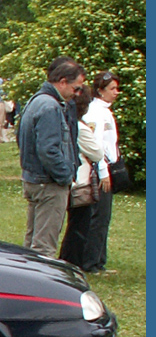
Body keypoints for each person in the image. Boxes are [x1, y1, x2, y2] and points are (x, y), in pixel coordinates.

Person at [18, 57, 86, 257]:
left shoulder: (36, 101)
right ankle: (37, 287)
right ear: (63, 81)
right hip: (48, 185)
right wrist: (65, 176)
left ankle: (25, 283)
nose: (77, 94)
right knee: (44, 248)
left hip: (34, 180)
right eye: (76, 88)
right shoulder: (50, 107)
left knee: (31, 244)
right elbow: (49, 150)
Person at [80, 71, 123, 274]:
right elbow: (96, 145)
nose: (116, 92)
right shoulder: (95, 112)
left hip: (107, 167)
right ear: (100, 90)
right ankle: (90, 262)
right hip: (100, 170)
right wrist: (104, 171)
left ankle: (99, 260)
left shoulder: (105, 111)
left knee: (104, 217)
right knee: (99, 217)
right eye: (112, 89)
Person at [58, 85, 103, 268]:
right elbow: (98, 153)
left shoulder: (64, 122)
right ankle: (71, 261)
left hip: (68, 180)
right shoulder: (80, 128)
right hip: (80, 184)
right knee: (78, 226)